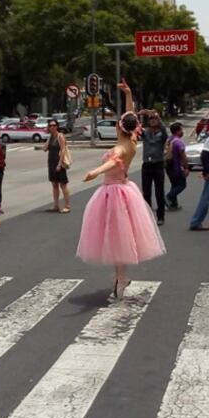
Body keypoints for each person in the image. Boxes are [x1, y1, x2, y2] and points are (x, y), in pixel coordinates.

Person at [77, 79, 165, 300]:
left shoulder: (120, 147)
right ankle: (120, 277)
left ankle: (120, 278)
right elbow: (130, 116)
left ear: (118, 127)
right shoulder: (133, 141)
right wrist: (128, 93)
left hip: (113, 191)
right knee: (120, 237)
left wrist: (95, 172)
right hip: (124, 189)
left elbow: (113, 163)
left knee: (115, 237)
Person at [140, 111, 169, 225]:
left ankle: (160, 216)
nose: (152, 121)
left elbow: (165, 131)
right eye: (151, 119)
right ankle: (148, 215)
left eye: (154, 119)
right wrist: (141, 114)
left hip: (158, 165)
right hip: (147, 165)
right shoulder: (145, 133)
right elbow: (137, 128)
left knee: (159, 192)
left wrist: (157, 115)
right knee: (146, 192)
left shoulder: (161, 133)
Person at [44, 118, 71, 213]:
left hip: (59, 163)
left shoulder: (60, 136)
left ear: (57, 126)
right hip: (51, 162)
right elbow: (44, 149)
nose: (52, 127)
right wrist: (49, 137)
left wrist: (60, 164)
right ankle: (56, 205)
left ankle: (67, 205)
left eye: (54, 125)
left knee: (63, 184)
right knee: (54, 184)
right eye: (50, 126)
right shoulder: (51, 137)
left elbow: (63, 150)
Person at [165, 122, 189, 210]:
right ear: (178, 131)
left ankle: (173, 204)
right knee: (182, 185)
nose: (182, 132)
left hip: (168, 167)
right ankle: (168, 197)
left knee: (174, 184)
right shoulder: (179, 142)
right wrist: (186, 168)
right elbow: (183, 156)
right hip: (176, 167)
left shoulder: (169, 140)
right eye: (181, 130)